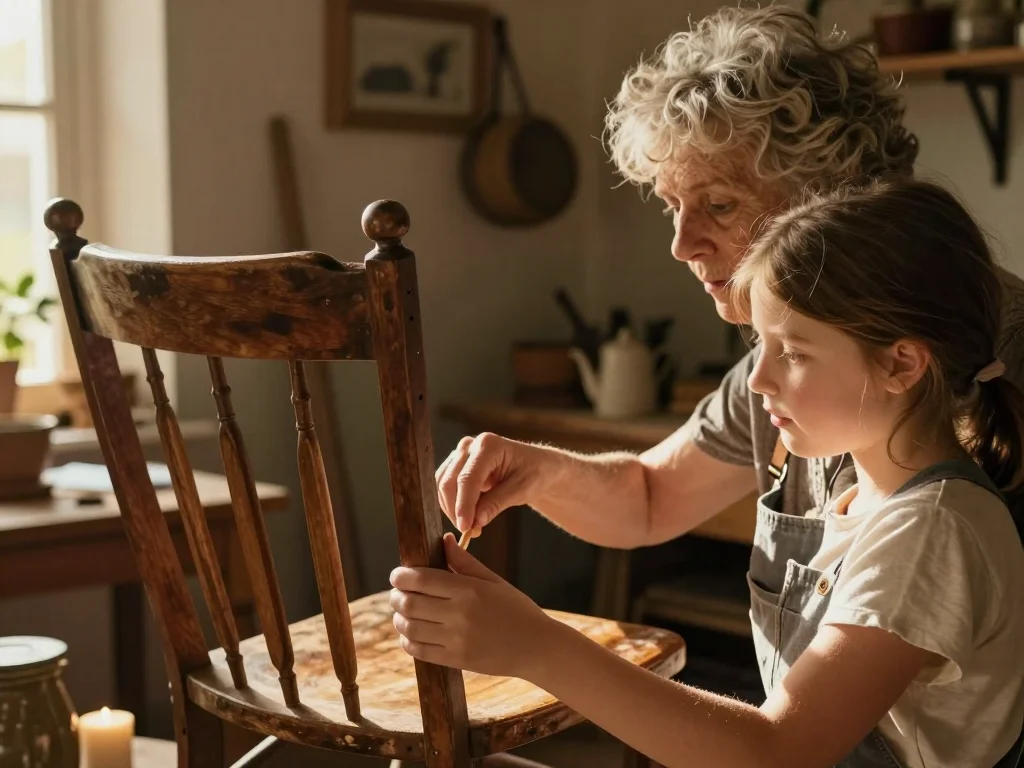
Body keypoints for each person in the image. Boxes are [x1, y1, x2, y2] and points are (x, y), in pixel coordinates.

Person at [391, 177, 1024, 767]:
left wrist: (535, 645)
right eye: (761, 346)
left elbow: (776, 752)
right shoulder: (869, 500)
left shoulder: (930, 530)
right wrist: (542, 479)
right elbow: (648, 494)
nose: (759, 379)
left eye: (793, 352)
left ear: (901, 365)